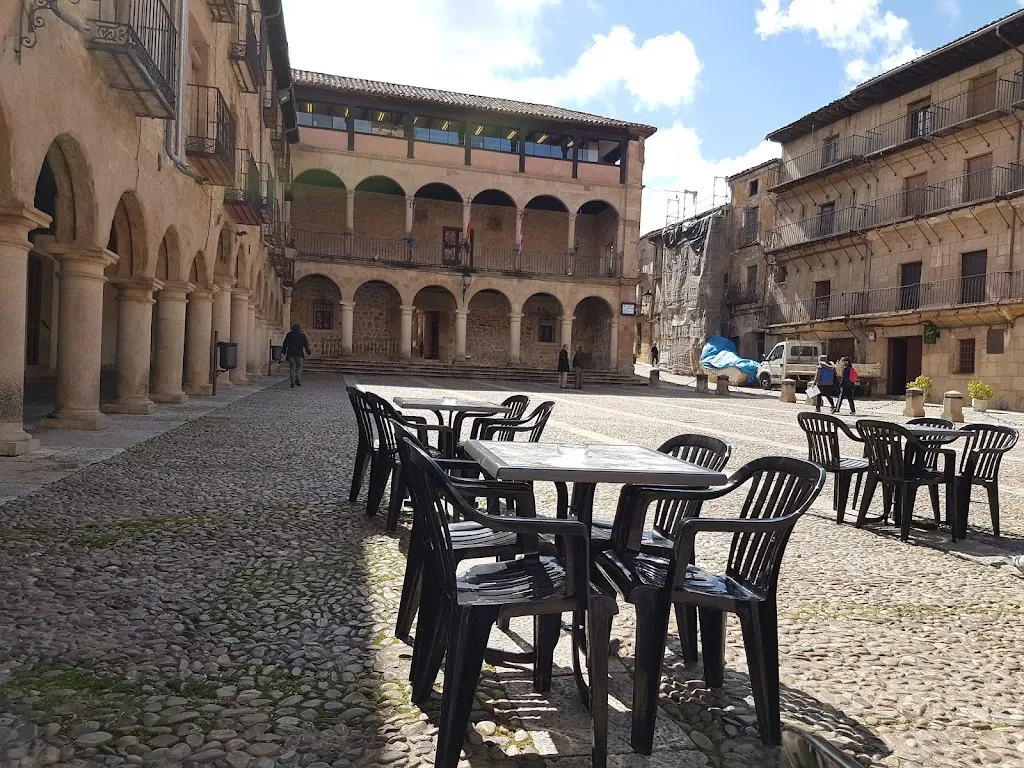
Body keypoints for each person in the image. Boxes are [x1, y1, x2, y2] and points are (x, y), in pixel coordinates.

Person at [281, 322, 311, 388]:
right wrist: (308, 352)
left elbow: (285, 343)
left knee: (292, 368)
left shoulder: (289, 335)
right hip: (299, 354)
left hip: (291, 353)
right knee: (299, 367)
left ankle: (292, 382)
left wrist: (283, 351)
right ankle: (297, 379)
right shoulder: (302, 335)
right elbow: (306, 344)